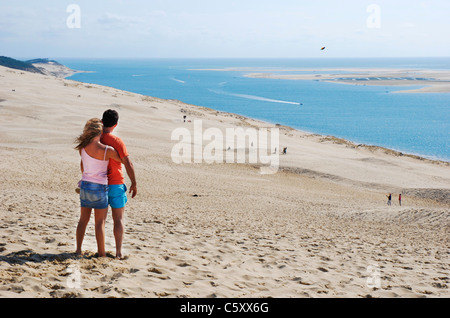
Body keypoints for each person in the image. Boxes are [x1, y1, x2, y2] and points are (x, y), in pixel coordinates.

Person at [74, 118, 122, 257]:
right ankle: (101, 253)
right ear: (100, 132)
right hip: (100, 187)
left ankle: (78, 250)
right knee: (99, 222)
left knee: (83, 220)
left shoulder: (82, 148)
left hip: (85, 185)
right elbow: (121, 159)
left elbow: (83, 167)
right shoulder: (107, 150)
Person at [101, 109, 137, 260]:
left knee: (100, 220)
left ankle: (101, 251)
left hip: (99, 183)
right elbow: (128, 163)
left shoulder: (96, 139)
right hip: (115, 183)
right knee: (118, 219)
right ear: (115, 125)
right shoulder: (116, 141)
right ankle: (118, 252)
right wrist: (134, 183)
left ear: (102, 121)